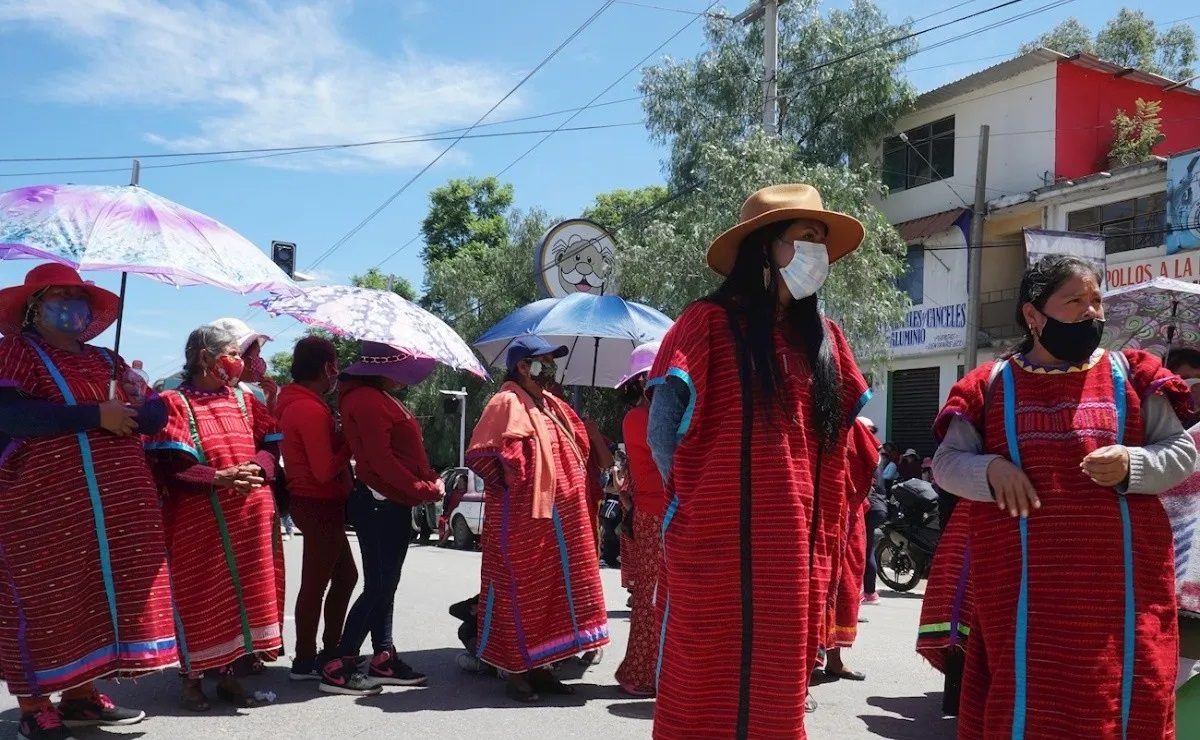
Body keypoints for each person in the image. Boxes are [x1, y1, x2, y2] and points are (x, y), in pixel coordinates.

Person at [931, 254, 1197, 738]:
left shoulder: (1134, 376)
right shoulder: (988, 385)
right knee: (1028, 706)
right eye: (1075, 300)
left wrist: (1133, 464)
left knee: (1119, 702)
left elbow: (1180, 453)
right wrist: (989, 469)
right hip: (1023, 598)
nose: (1092, 311)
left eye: (1096, 300)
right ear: (1033, 315)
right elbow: (946, 465)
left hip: (1120, 597)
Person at [646, 184, 872, 738]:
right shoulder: (706, 324)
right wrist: (702, 505)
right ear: (764, 247)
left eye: (822, 239)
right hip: (714, 548)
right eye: (805, 236)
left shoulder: (825, 341)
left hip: (794, 554)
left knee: (777, 692)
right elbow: (662, 433)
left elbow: (837, 447)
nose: (817, 251)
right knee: (702, 685)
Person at [0, 264, 177, 740]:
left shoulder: (107, 360)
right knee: (44, 599)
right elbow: (11, 415)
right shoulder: (15, 351)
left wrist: (139, 406)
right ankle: (34, 706)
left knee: (95, 598)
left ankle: (81, 697)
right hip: (42, 507)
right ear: (34, 307)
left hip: (116, 509)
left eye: (76, 296)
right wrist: (96, 414)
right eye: (58, 295)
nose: (69, 304)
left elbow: (156, 414)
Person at [146, 324, 286, 712]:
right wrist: (219, 478)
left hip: (248, 518)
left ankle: (228, 675)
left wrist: (256, 469)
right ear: (205, 357)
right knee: (199, 597)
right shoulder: (173, 403)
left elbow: (270, 447)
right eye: (233, 354)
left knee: (243, 598)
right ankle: (191, 680)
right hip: (198, 523)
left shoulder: (246, 400)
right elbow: (166, 466)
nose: (240, 361)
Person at [466, 335, 610, 703]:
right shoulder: (506, 402)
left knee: (555, 593)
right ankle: (516, 672)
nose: (551, 368)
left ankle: (543, 668)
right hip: (523, 523)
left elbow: (581, 447)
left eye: (551, 361)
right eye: (544, 360)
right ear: (522, 366)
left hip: (563, 524)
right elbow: (483, 456)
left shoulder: (553, 404)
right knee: (520, 593)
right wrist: (515, 487)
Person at [320, 342, 442, 696]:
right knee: (379, 586)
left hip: (389, 500)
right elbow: (380, 460)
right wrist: (423, 487)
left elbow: (399, 455)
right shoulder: (366, 400)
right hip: (380, 502)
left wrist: (427, 479)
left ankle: (383, 657)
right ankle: (340, 663)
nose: (405, 379)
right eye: (400, 371)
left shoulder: (376, 397)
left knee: (385, 585)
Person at [274, 336, 357, 682]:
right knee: (317, 583)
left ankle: (322, 651)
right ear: (326, 367)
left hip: (314, 501)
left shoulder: (299, 402)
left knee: (342, 577)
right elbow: (324, 470)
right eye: (334, 363)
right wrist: (349, 441)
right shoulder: (308, 409)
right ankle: (311, 656)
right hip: (318, 500)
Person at [614, 341, 668, 698]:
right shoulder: (639, 419)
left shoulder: (651, 416)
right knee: (651, 594)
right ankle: (641, 671)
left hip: (661, 512)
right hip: (653, 515)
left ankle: (658, 670)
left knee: (661, 593)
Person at [820, 417, 881, 686]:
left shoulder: (851, 427)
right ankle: (802, 672)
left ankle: (834, 660)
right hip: (813, 515)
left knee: (843, 587)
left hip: (845, 517)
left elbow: (866, 463)